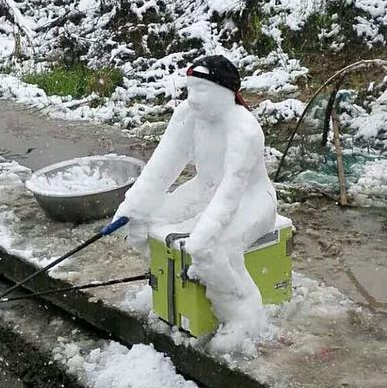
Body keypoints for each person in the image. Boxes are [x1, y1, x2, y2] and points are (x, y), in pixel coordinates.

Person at [116, 55, 277, 342]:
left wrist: (203, 234)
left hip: (251, 199)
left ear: (224, 91)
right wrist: (131, 208)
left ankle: (243, 312)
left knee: (213, 248)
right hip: (205, 188)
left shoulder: (244, 129)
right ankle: (167, 286)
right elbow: (160, 168)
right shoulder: (188, 116)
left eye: (201, 90)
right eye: (189, 90)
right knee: (142, 224)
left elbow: (231, 190)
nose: (193, 99)